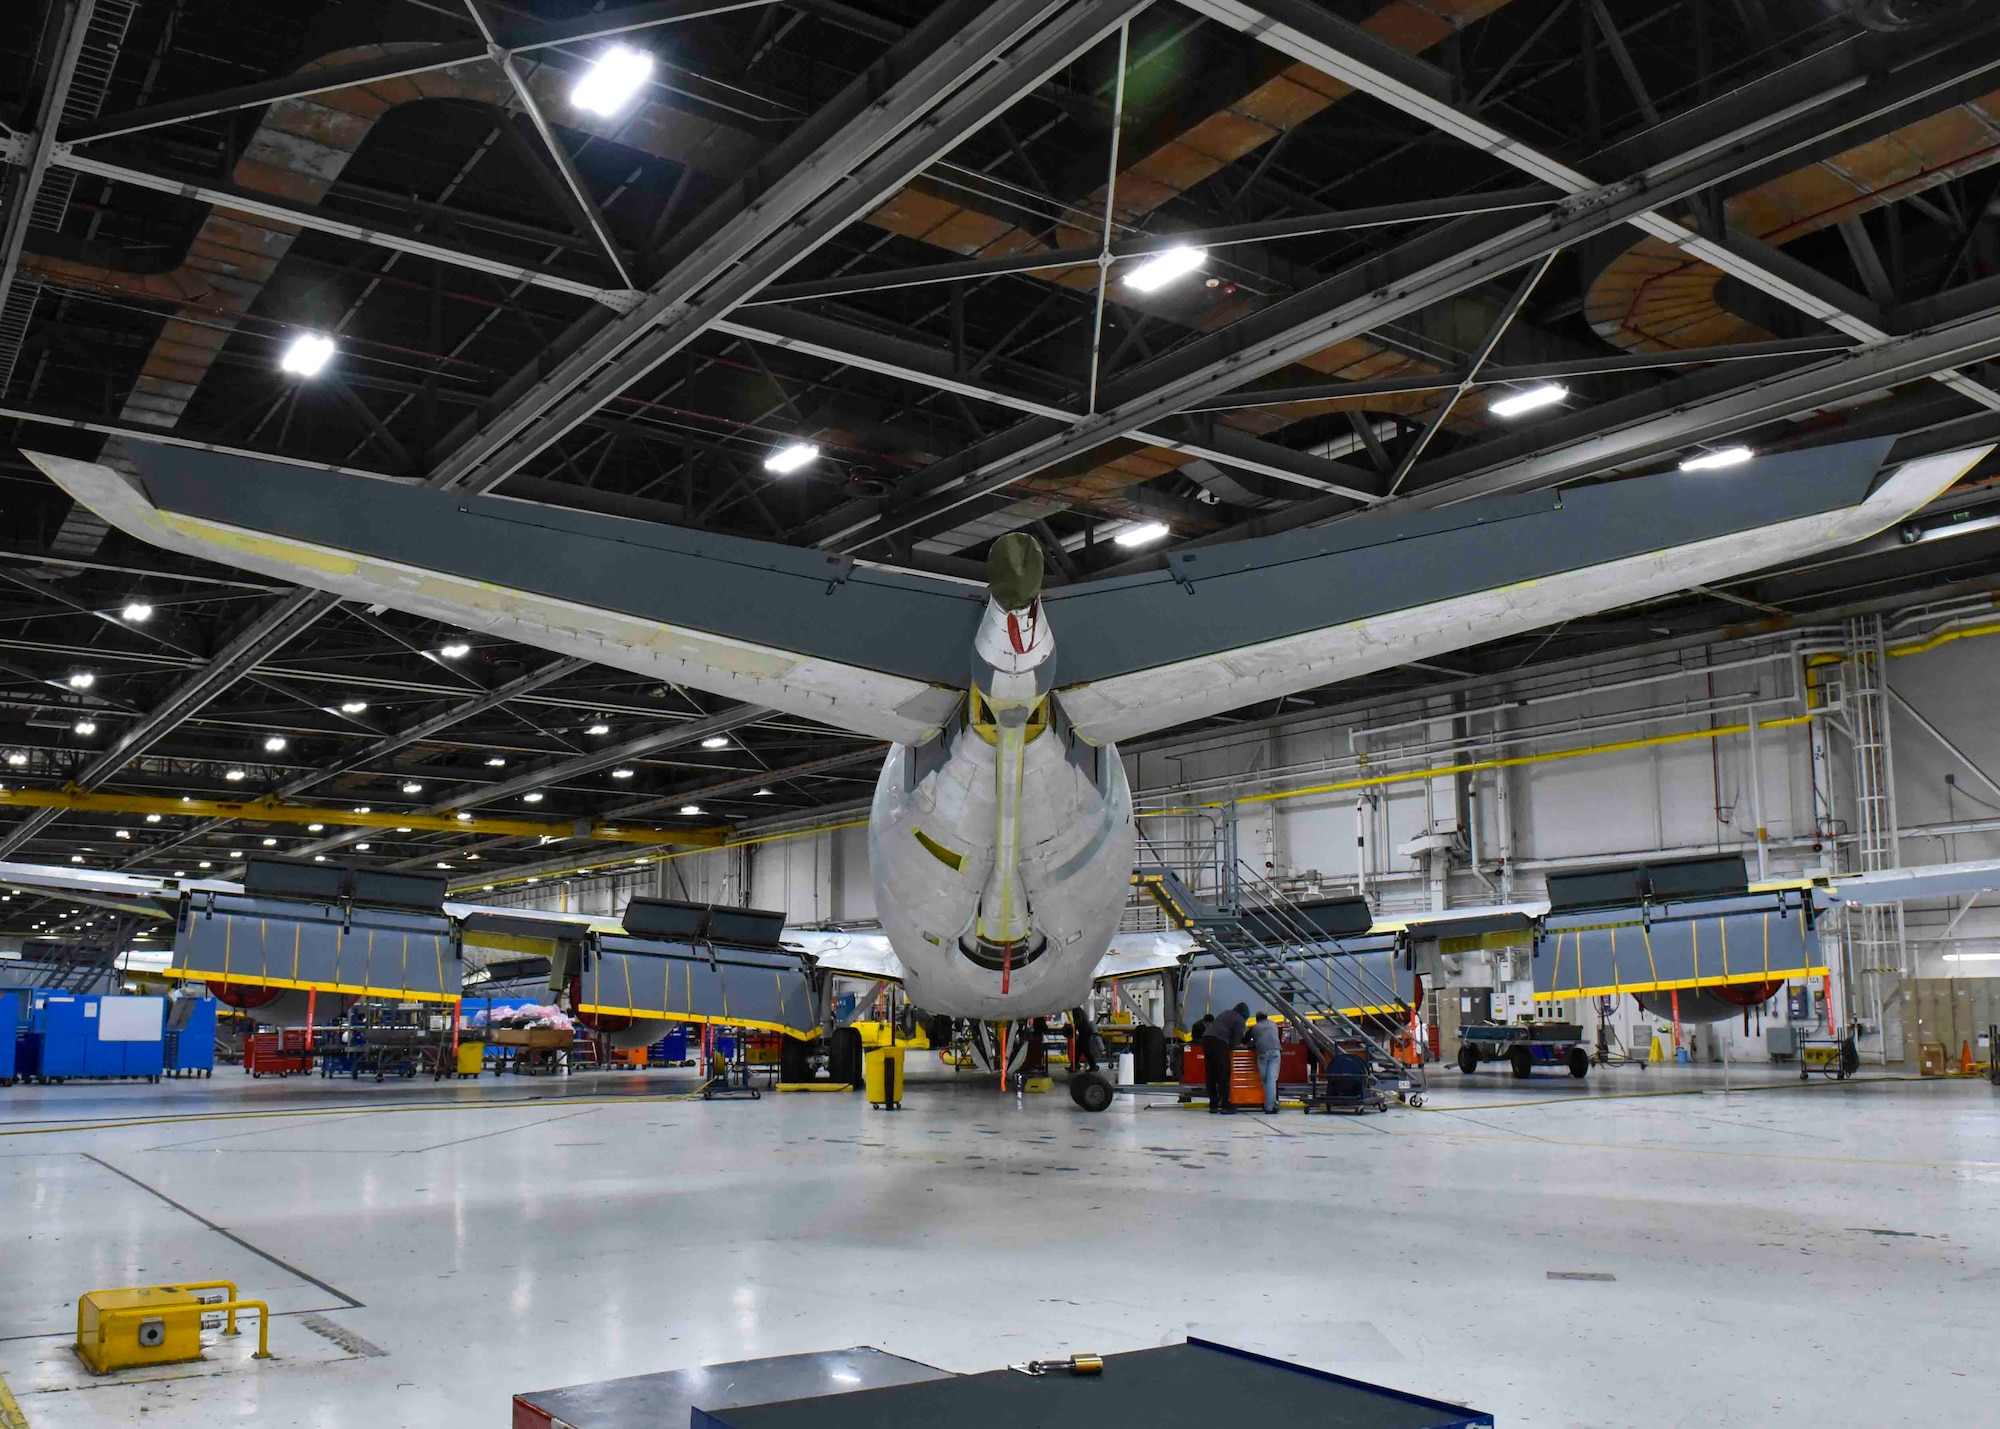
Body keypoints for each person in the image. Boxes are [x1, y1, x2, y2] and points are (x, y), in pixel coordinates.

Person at [1201, 1002, 1250, 1114]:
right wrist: (1243, 1046)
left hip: (1207, 1040)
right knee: (1223, 1073)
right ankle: (1225, 1105)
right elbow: (1237, 1043)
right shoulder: (1240, 1019)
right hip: (1220, 1042)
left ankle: (1213, 1105)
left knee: (1211, 1073)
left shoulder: (1226, 1013)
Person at [1249, 1012, 1283, 1114]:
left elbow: (1248, 1040)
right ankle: (1271, 1104)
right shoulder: (1273, 1024)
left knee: (1265, 1080)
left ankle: (1270, 1106)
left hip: (1262, 1052)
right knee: (1271, 1080)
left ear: (1257, 1019)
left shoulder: (1255, 1027)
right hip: (1275, 1051)